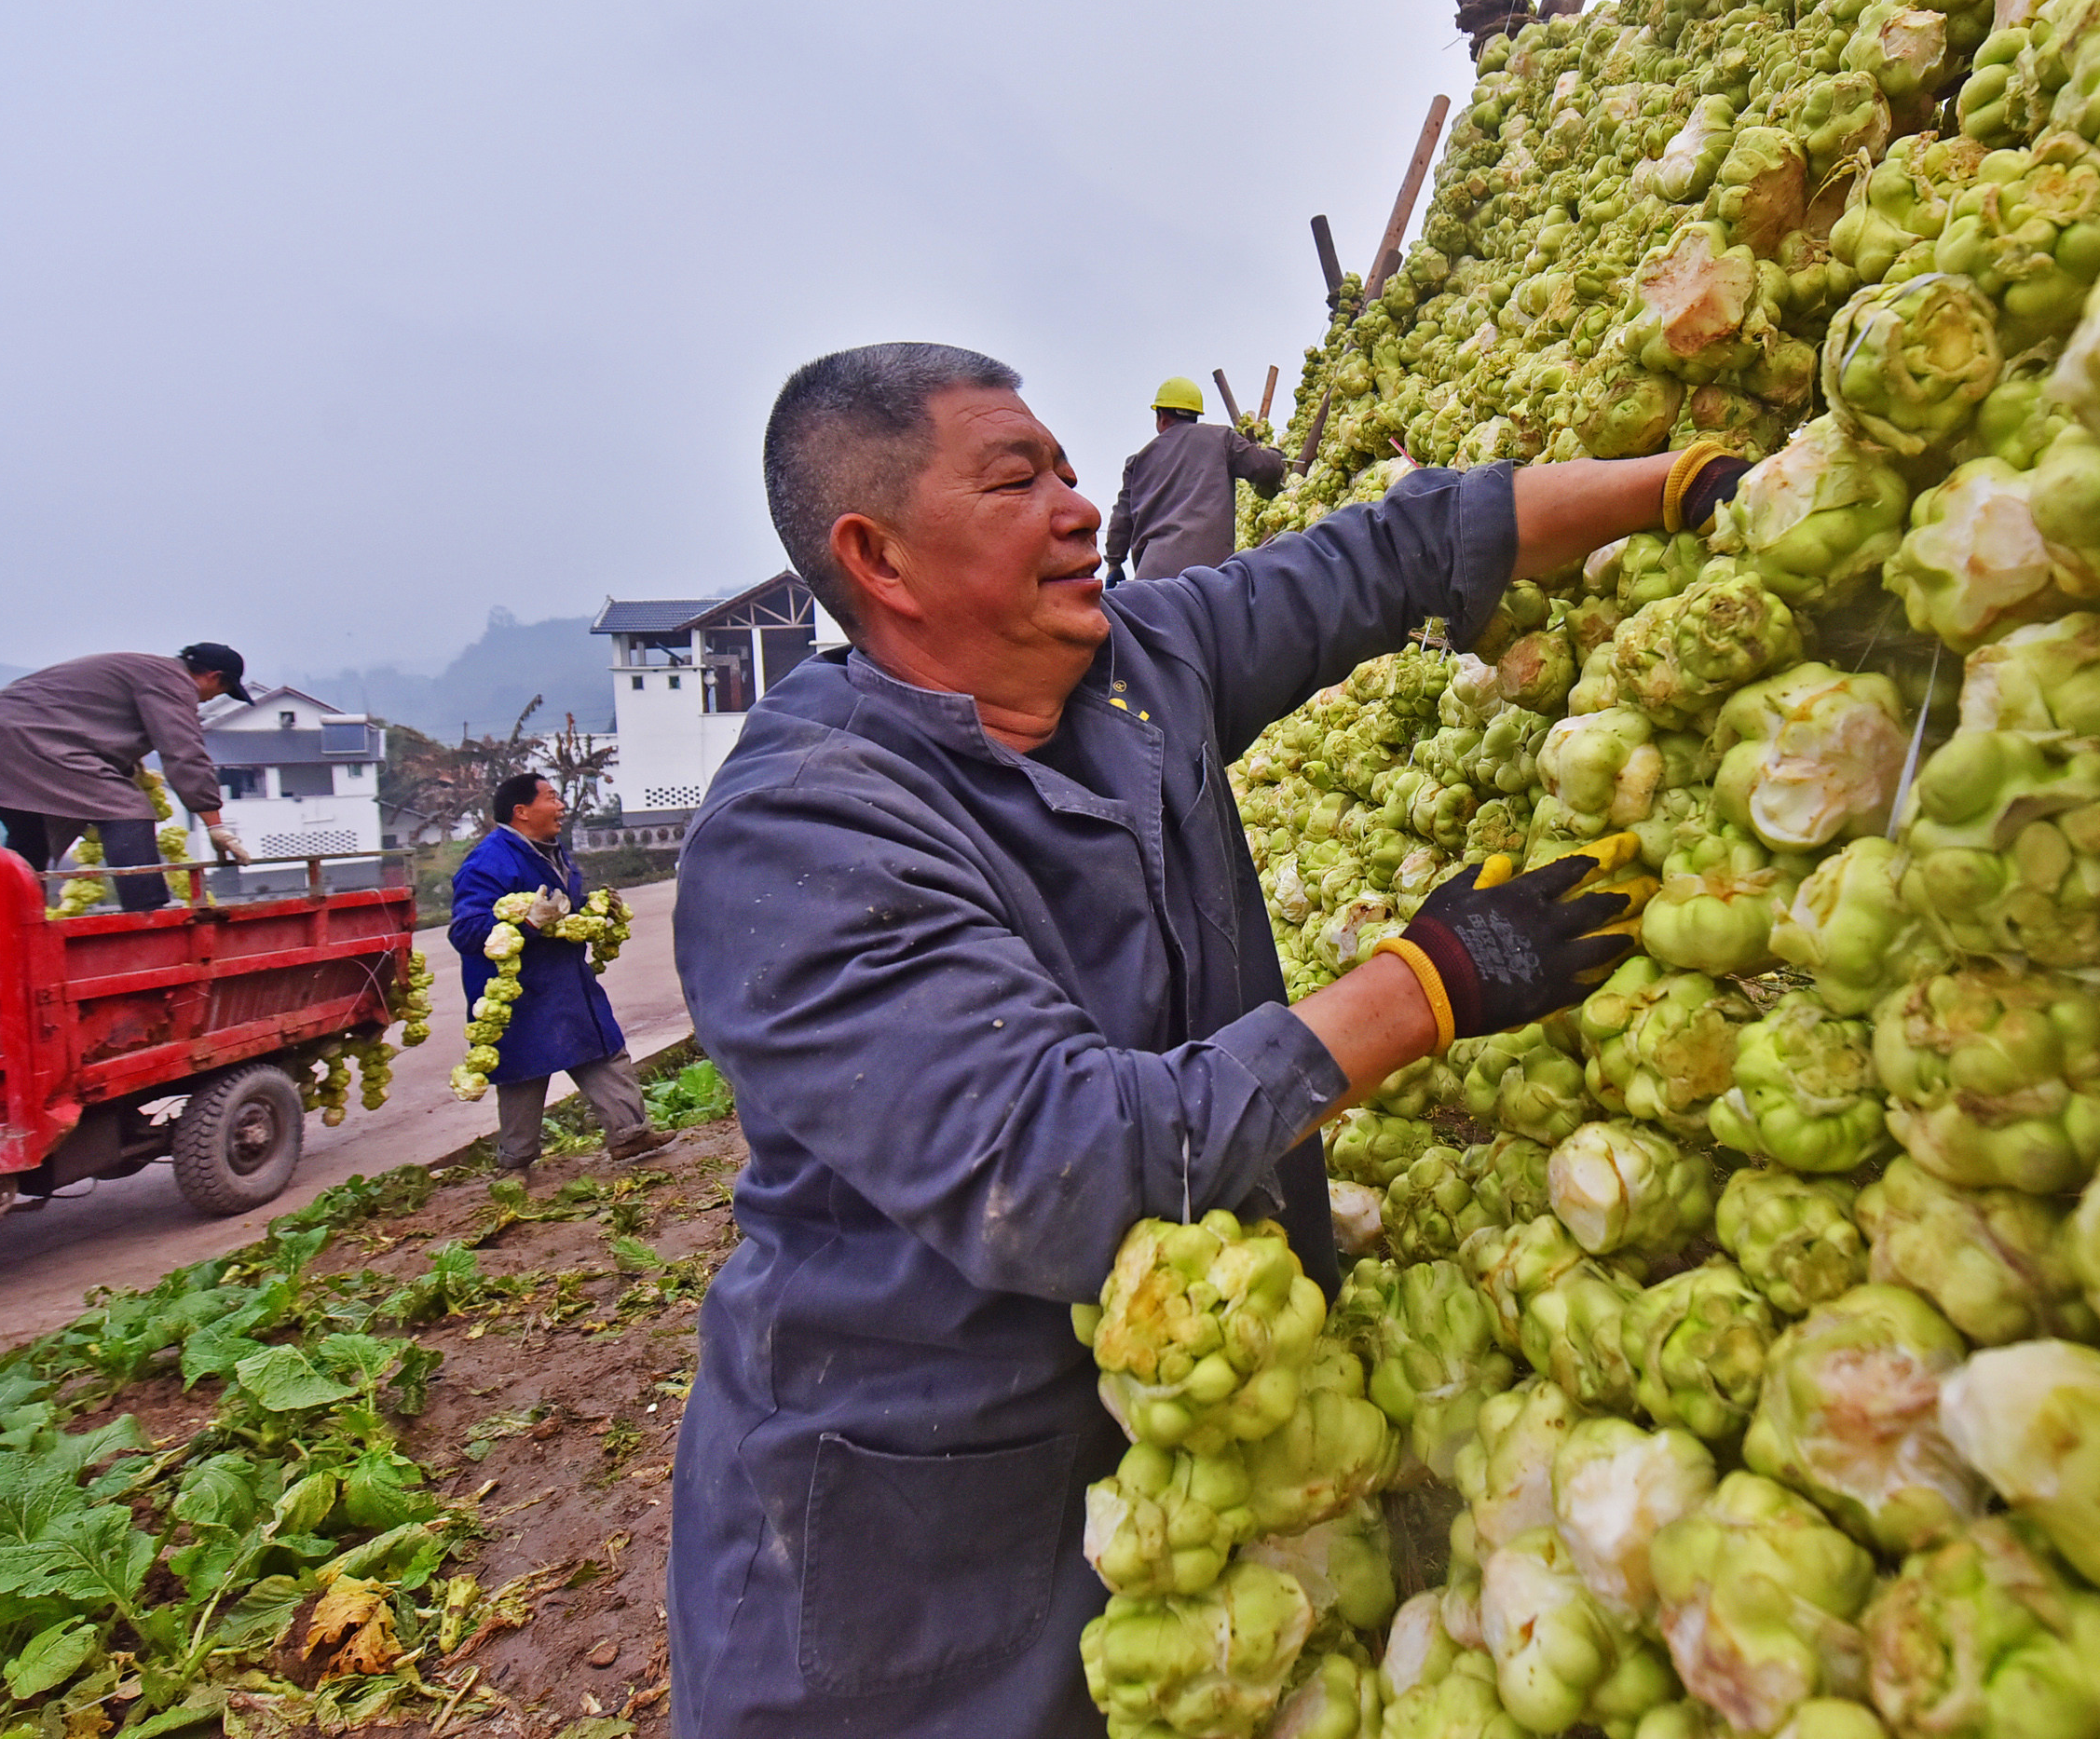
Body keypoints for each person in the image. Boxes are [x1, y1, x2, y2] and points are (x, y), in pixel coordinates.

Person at [664, 340, 1751, 1737]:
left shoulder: (1134, 665)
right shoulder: (805, 828)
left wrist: (1676, 485)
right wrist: (1424, 985)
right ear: (879, 557)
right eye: (1017, 480)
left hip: (1184, 1431)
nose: (1075, 507)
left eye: (1067, 469)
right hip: (922, 1498)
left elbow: (1390, 553)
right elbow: (1059, 1166)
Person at [447, 774, 674, 1176]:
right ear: (522, 812)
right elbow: (465, 930)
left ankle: (631, 1134)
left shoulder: (549, 851)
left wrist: (594, 907)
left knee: (602, 1050)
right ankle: (516, 1163)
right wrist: (528, 924)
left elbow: (561, 905)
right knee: (524, 1073)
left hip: (566, 980)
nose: (561, 806)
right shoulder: (488, 861)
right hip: (523, 991)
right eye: (551, 797)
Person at [0, 643, 258, 912]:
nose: (208, 700)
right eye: (223, 692)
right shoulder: (173, 681)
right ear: (214, 677)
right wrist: (216, 826)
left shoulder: (139, 669)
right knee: (126, 809)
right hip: (27, 738)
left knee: (32, 833)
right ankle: (147, 911)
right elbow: (183, 752)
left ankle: (19, 918)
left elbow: (90, 727)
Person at [1101, 374, 1289, 584]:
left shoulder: (1137, 462)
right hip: (1208, 579)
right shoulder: (1221, 439)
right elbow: (1264, 467)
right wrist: (1278, 456)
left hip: (1153, 581)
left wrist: (1114, 564)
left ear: (1161, 416)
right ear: (1195, 416)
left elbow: (1121, 520)